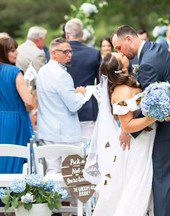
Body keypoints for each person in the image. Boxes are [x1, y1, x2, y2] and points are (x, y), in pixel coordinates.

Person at [111, 25, 170, 216]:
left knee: (163, 180)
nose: (118, 52)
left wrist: (127, 128)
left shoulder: (146, 64)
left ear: (129, 39)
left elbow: (151, 104)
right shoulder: (157, 48)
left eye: (119, 47)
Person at [85, 52, 170, 216]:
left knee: (153, 181)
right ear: (120, 67)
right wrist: (154, 116)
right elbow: (128, 125)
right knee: (138, 184)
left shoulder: (132, 82)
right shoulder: (121, 92)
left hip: (149, 139)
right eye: (120, 56)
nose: (124, 54)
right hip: (137, 144)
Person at [36, 38, 86, 174]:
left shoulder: (42, 71)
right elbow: (74, 105)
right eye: (65, 52)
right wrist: (81, 94)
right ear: (53, 53)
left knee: (52, 170)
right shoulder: (62, 75)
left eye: (70, 51)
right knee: (72, 173)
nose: (69, 54)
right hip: (65, 133)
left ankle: (53, 196)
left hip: (47, 130)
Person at [0, 37, 34, 174]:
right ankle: (13, 192)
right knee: (16, 156)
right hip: (14, 121)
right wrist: (30, 91)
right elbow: (29, 101)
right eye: (12, 51)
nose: (16, 53)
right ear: (3, 52)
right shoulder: (15, 72)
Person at [65, 18, 102, 142]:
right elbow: (100, 82)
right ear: (82, 35)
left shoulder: (55, 54)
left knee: (67, 154)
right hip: (87, 108)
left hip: (64, 108)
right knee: (87, 151)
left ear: (66, 35)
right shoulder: (94, 53)